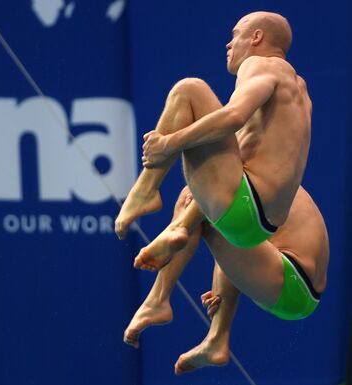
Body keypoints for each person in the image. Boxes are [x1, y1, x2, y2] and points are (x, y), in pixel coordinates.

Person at [115, 11, 312, 271]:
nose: (228, 44)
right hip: (262, 229)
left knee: (189, 89)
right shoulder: (300, 91)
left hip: (244, 205)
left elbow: (233, 117)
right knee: (216, 148)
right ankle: (178, 229)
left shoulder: (262, 65)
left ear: (256, 37)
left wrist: (167, 145)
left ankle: (145, 189)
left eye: (235, 35)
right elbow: (240, 150)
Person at [121, 185, 329, 375]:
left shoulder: (246, 169)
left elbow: (207, 206)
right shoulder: (262, 172)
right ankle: (216, 337)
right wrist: (221, 288)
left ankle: (158, 300)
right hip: (294, 282)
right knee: (215, 211)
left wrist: (147, 186)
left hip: (293, 277)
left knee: (196, 199)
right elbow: (242, 237)